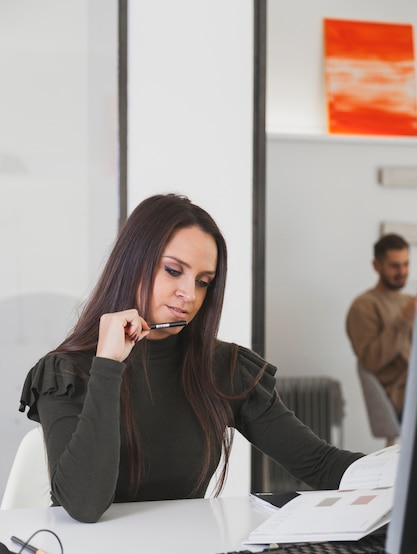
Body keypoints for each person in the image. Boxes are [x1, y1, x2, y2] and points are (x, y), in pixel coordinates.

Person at [19, 193, 362, 523]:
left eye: (203, 282)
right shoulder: (65, 373)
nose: (189, 294)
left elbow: (320, 465)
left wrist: (396, 470)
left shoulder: (226, 368)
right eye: (173, 271)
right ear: (132, 263)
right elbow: (83, 505)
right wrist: (108, 365)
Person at [346, 233, 416, 418]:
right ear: (376, 266)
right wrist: (404, 318)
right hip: (400, 397)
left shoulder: (409, 301)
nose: (402, 271)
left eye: (406, 264)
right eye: (395, 266)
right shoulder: (364, 305)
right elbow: (371, 360)